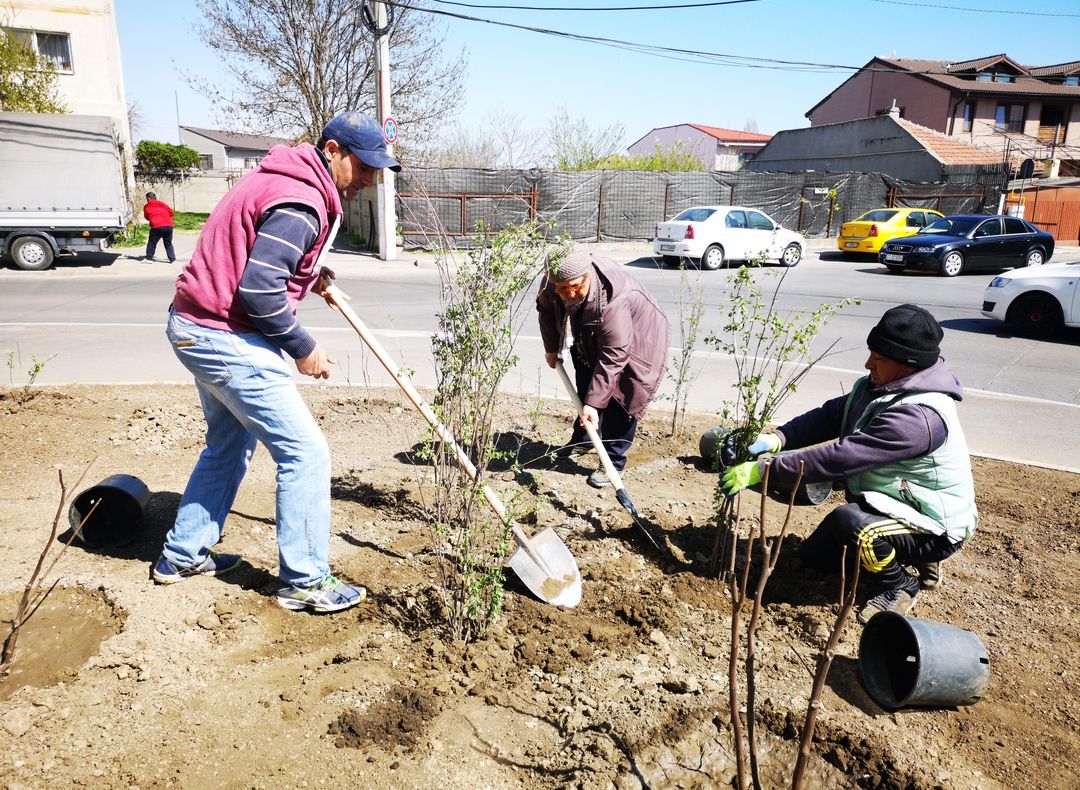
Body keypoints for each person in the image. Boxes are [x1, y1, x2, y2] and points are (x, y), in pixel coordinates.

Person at [153, 111, 401, 614]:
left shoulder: (280, 179)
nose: (371, 179)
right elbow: (260, 292)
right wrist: (304, 348)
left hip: (195, 326)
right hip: (226, 336)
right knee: (305, 453)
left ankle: (181, 555)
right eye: (365, 165)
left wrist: (311, 273)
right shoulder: (302, 202)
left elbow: (260, 256)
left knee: (228, 443)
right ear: (332, 150)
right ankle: (306, 582)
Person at [721, 304, 978, 624]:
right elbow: (830, 416)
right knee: (812, 559)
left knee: (855, 525)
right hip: (896, 501)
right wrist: (779, 438)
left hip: (937, 525)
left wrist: (763, 469)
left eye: (879, 358)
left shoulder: (918, 418)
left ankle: (901, 584)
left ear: (908, 364)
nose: (868, 363)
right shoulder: (879, 388)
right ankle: (906, 553)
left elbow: (842, 456)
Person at [537, 248, 671, 488]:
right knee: (586, 382)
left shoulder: (612, 297)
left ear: (587, 276)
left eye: (575, 286)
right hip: (592, 332)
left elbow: (614, 355)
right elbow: (546, 311)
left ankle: (613, 459)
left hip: (639, 338)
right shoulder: (552, 281)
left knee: (623, 397)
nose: (569, 294)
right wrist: (551, 347)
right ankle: (585, 439)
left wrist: (595, 404)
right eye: (562, 289)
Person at [143, 192, 177, 263]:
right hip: (168, 226)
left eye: (146, 199)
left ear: (148, 198)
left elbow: (146, 217)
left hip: (157, 226)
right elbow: (171, 213)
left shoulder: (147, 206)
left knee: (152, 243)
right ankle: (173, 259)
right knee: (168, 243)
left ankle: (149, 258)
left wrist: (153, 217)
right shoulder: (162, 204)